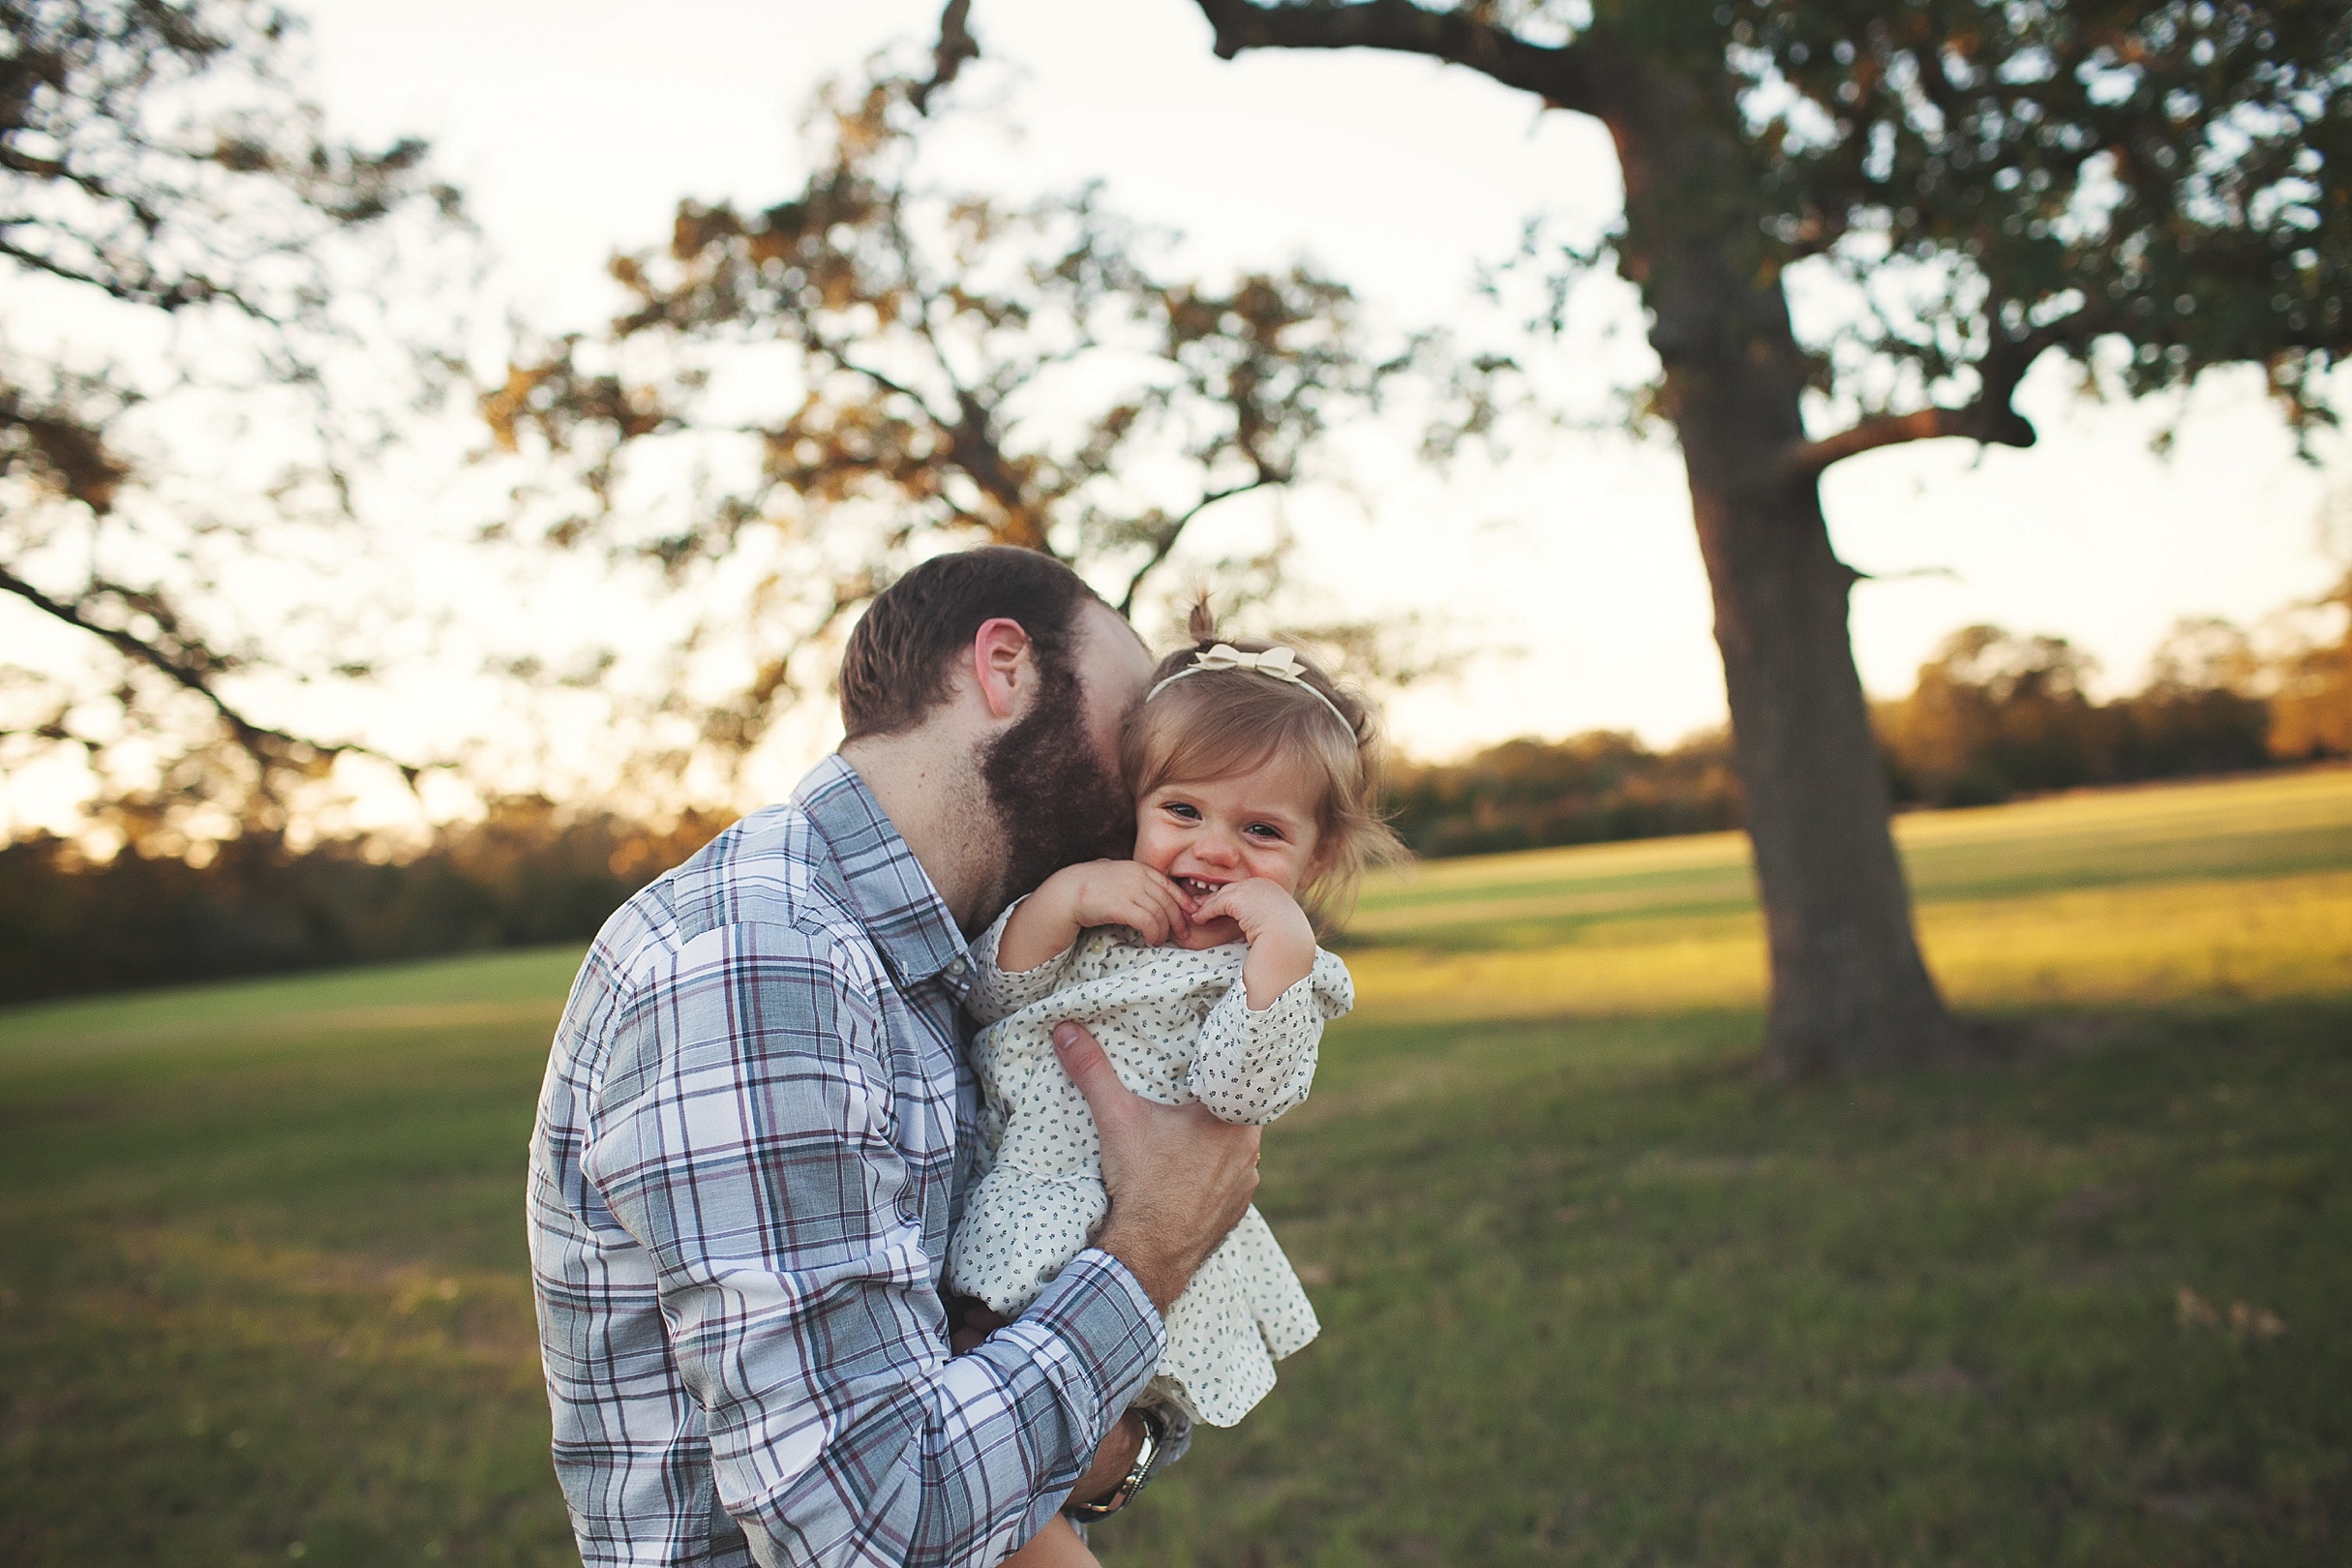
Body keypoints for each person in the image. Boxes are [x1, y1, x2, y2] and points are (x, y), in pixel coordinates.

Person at [527, 548, 1264, 1568]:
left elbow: (965, 1417)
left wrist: (1120, 1450)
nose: (1155, 776)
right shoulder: (763, 955)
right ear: (1005, 666)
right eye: (1135, 723)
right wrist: (1153, 1248)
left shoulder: (939, 968)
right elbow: (869, 1523)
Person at [952, 603, 1401, 1568]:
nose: (1213, 850)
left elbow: (1243, 1094)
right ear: (1140, 809)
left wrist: (1278, 948)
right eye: (1183, 812)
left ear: (1316, 859)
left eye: (1263, 831)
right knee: (990, 1458)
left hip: (1127, 1249)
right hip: (1025, 1201)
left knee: (994, 1455)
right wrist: (1059, 904)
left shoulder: (1278, 972)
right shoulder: (1110, 911)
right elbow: (992, 993)